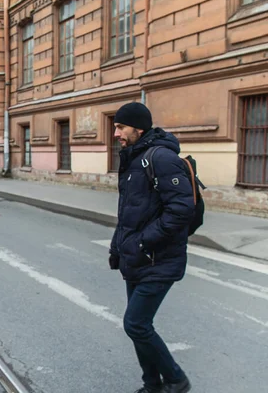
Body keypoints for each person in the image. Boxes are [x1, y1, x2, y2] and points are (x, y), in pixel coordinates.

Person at [109, 102, 194, 393]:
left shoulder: (161, 159)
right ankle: (152, 384)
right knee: (139, 325)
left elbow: (181, 210)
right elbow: (131, 212)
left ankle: (175, 379)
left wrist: (143, 241)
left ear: (138, 128)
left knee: (136, 324)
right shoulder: (135, 158)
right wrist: (117, 246)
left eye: (121, 127)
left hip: (159, 258)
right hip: (138, 258)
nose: (116, 132)